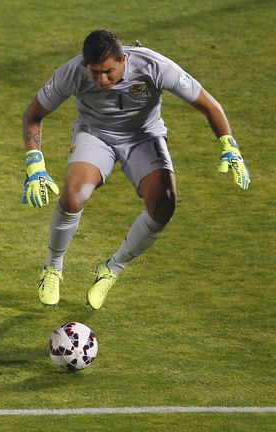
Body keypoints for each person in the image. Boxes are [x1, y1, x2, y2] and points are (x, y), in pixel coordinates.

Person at [21, 30, 250, 309]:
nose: (102, 79)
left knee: (164, 204)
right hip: (95, 135)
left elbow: (208, 104)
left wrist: (229, 146)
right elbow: (33, 114)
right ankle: (53, 268)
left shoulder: (155, 67)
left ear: (124, 59)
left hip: (144, 136)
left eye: (108, 71)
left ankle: (112, 269)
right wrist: (35, 165)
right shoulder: (72, 72)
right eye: (95, 73)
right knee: (73, 197)